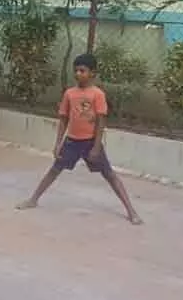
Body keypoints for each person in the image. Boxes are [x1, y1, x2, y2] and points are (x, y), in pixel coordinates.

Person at [16, 53, 143, 225]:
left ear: (92, 73)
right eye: (75, 70)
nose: (78, 74)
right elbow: (63, 119)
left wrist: (97, 146)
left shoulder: (97, 94)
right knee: (54, 170)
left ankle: (131, 210)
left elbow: (101, 121)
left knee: (109, 175)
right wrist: (58, 143)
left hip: (90, 141)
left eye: (82, 70)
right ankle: (33, 199)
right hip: (72, 141)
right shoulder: (70, 93)